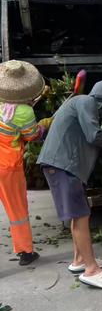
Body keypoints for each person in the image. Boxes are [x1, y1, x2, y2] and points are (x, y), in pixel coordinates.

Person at [37, 80, 102, 289]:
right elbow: (95, 137)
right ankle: (91, 270)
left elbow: (101, 152)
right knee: (81, 215)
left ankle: (80, 260)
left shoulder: (87, 111)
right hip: (63, 166)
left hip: (63, 167)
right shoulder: (86, 102)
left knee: (78, 214)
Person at [0, 60, 53, 266]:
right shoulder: (24, 112)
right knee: (17, 211)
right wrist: (44, 124)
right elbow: (32, 135)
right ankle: (25, 252)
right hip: (7, 167)